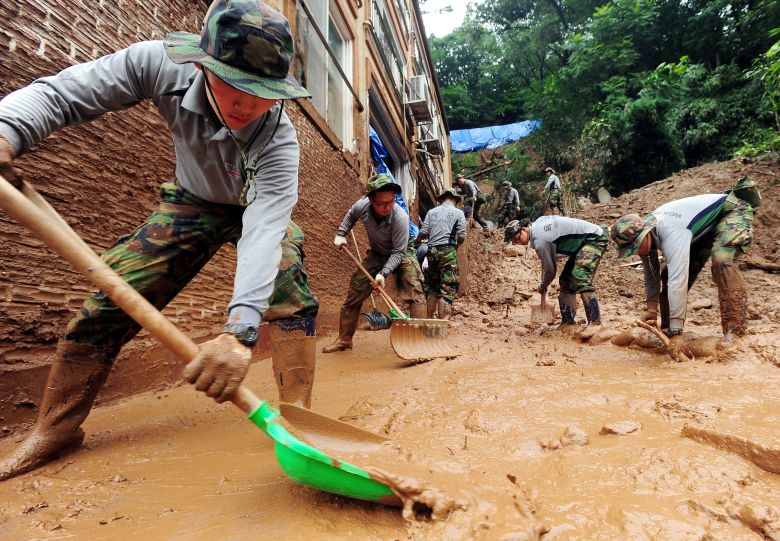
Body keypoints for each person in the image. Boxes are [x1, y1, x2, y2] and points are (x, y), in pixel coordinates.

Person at [0, 0, 320, 480]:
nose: (247, 105)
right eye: (233, 84)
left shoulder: (280, 144)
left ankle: (298, 420)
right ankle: (55, 428)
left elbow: (264, 232)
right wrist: (7, 130)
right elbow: (63, 95)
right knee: (108, 302)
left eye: (263, 93)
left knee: (288, 285)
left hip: (254, 209)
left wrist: (239, 333)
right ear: (200, 63)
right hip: (191, 201)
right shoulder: (156, 64)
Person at [610, 180, 757, 355]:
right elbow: (651, 276)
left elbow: (678, 281)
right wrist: (651, 309)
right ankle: (666, 328)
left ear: (645, 234)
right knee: (665, 276)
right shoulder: (643, 234)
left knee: (722, 261)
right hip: (701, 229)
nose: (635, 252)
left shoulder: (671, 232)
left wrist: (677, 333)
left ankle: (735, 331)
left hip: (731, 212)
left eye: (635, 247)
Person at [323, 174, 426, 352]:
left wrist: (383, 274)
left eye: (391, 202)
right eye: (382, 203)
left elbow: (398, 252)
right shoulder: (361, 206)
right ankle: (344, 340)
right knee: (355, 290)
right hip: (378, 253)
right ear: (371, 200)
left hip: (402, 252)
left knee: (414, 286)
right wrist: (341, 233)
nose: (387, 207)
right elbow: (350, 216)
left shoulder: (400, 217)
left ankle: (422, 341)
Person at [505, 215, 608, 338]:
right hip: (582, 243)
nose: (517, 243)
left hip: (594, 238)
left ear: (523, 229)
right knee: (565, 280)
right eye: (514, 242)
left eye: (516, 238)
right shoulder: (538, 225)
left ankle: (595, 322)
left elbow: (550, 271)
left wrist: (543, 286)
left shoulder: (540, 241)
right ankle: (568, 322)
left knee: (580, 276)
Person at [418, 188, 467, 319]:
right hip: (448, 250)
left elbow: (423, 232)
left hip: (432, 252)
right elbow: (462, 235)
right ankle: (442, 325)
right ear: (455, 199)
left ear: (442, 199)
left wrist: (417, 241)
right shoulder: (458, 213)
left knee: (433, 286)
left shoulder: (431, 212)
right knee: (447, 287)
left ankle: (429, 321)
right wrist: (456, 246)